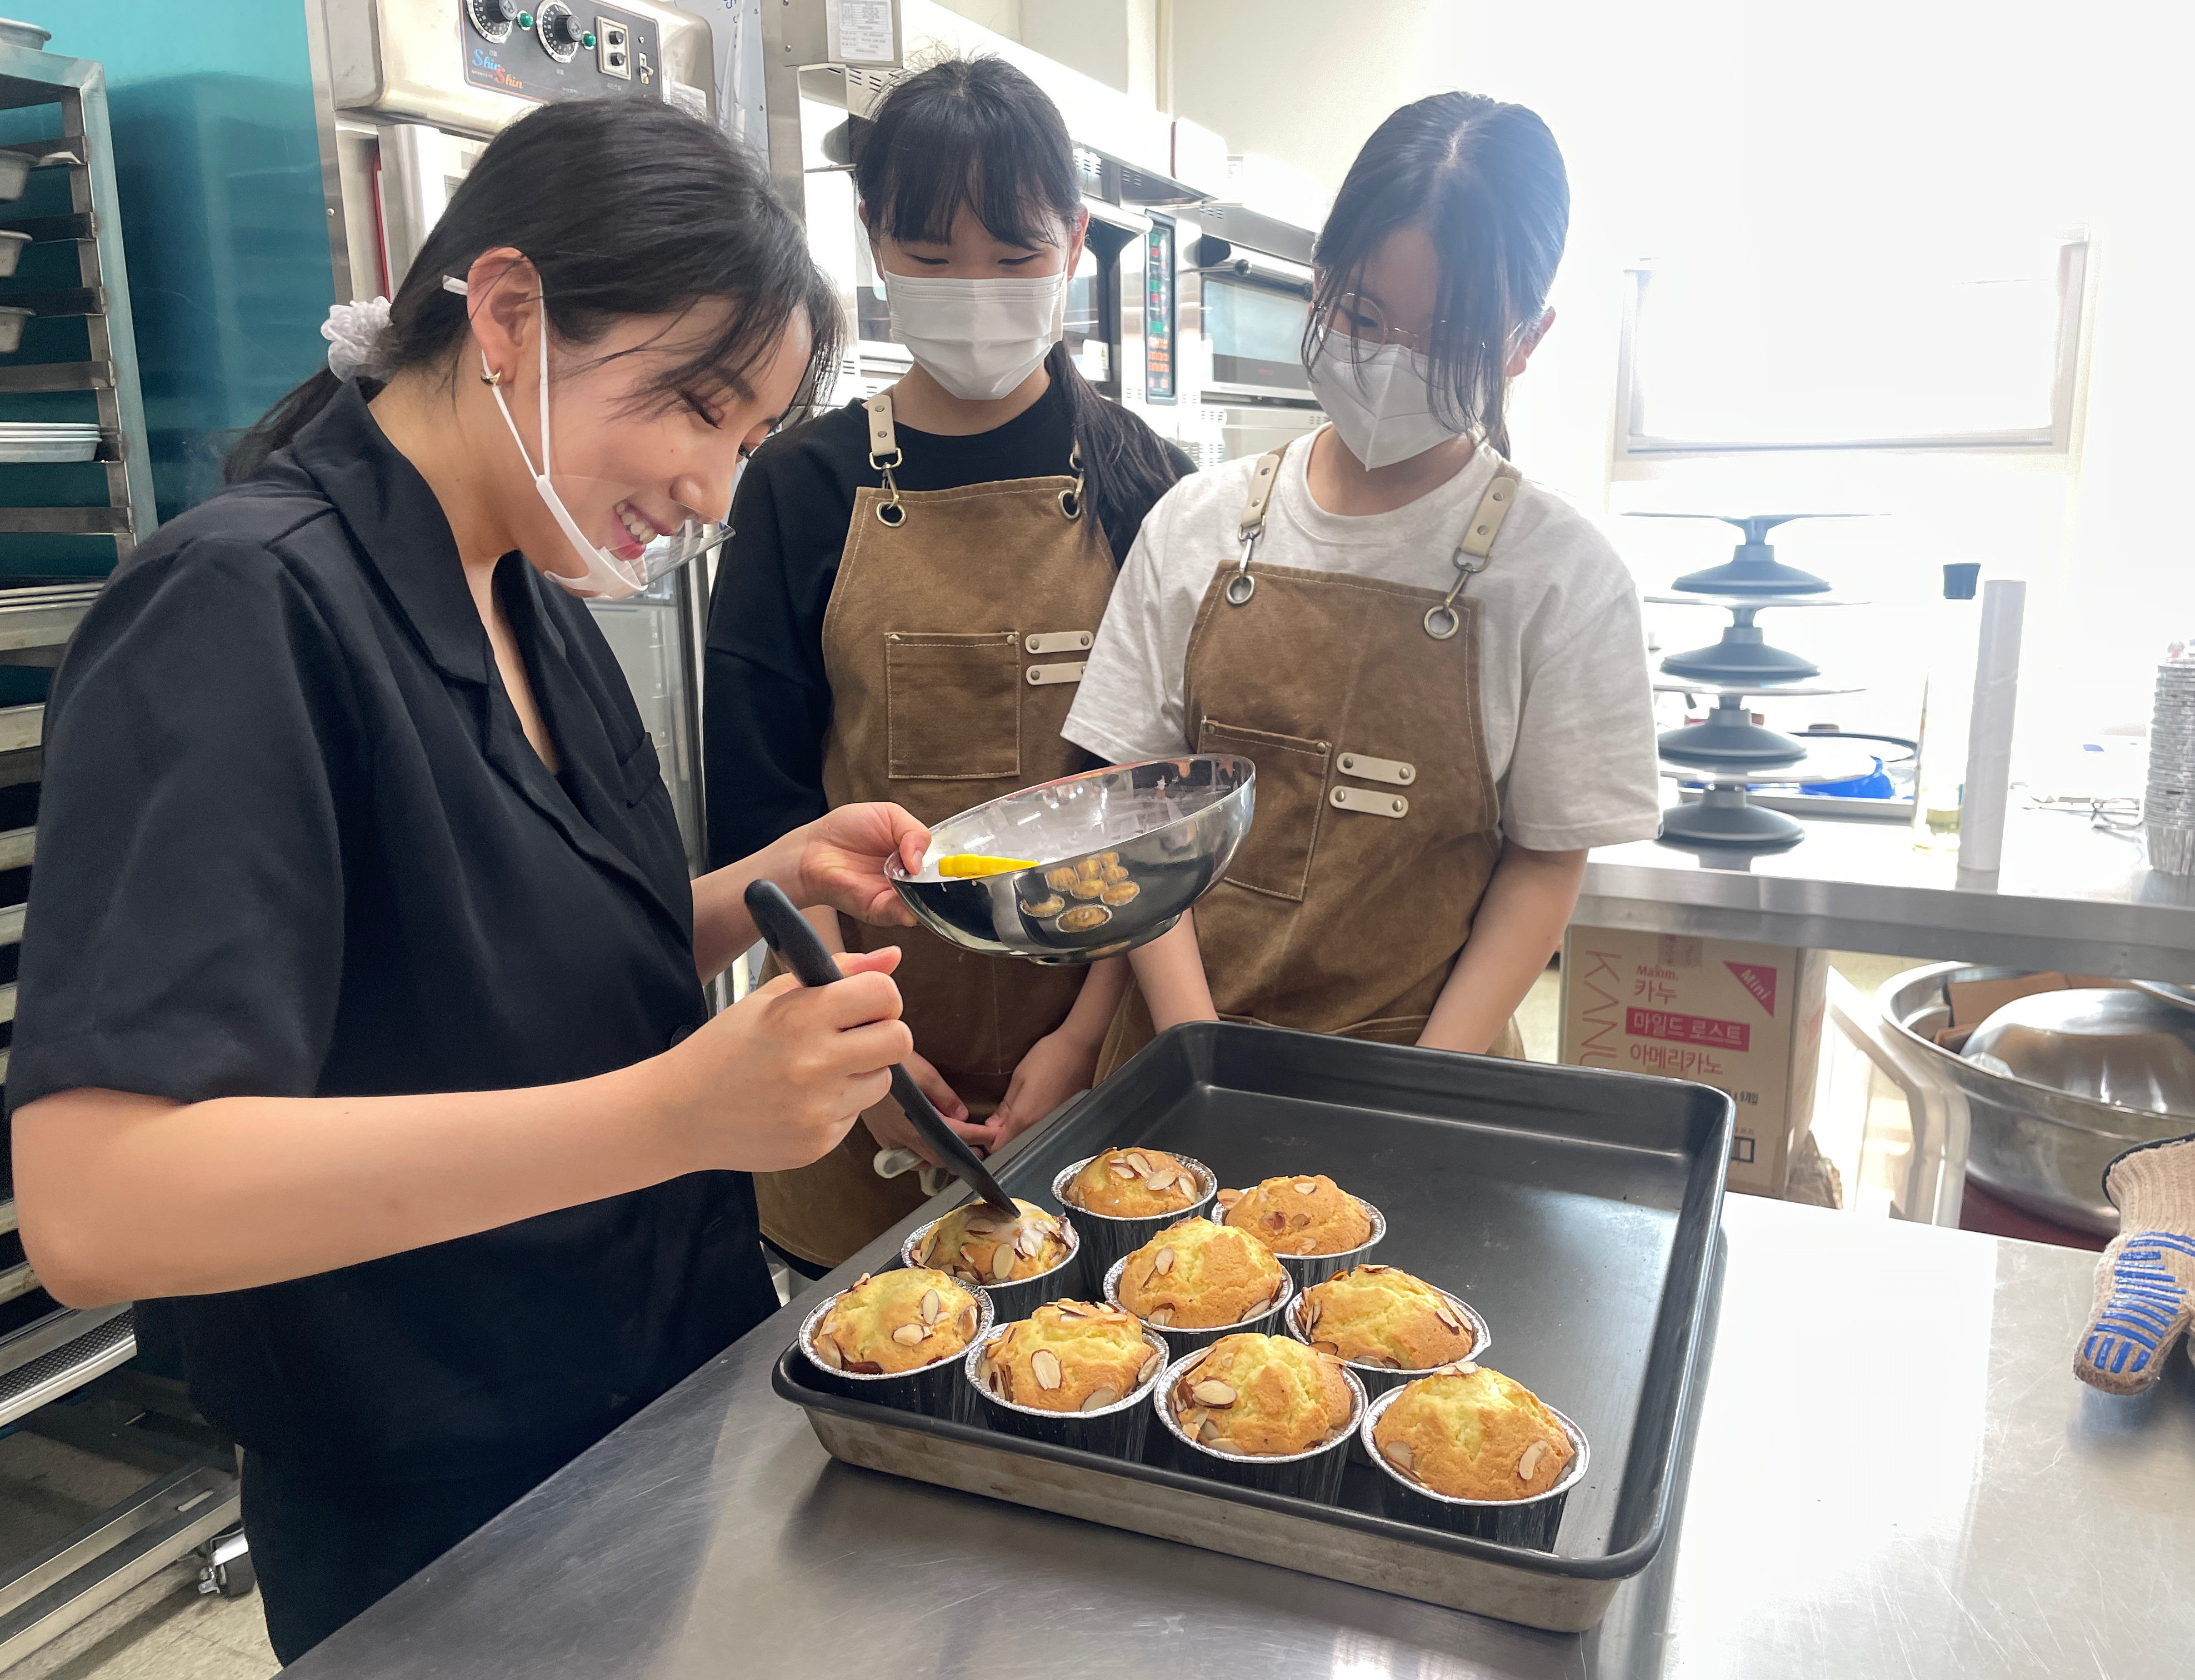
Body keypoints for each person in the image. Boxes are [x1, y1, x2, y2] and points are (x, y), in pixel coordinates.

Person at [7, 100, 931, 1664]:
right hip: (427, 1491)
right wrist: (674, 1115)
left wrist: (752, 884)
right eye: (698, 409)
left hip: (640, 1405)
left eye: (750, 438)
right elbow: (100, 1201)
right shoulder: (240, 611)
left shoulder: (532, 595)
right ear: (505, 314)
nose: (714, 490)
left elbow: (493, 954)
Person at [702, 55, 1192, 1276]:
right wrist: (862, 1055)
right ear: (871, 242)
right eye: (930, 257)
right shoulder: (799, 490)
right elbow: (761, 807)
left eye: (1016, 254)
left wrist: (1081, 1043)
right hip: (849, 1041)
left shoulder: (1152, 487)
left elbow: (1162, 811)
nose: (974, 289)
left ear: (1076, 241)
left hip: (1090, 1067)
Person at [1065, 93, 1660, 1065]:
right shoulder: (1197, 524)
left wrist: (1423, 1082)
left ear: (1527, 341)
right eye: (1364, 314)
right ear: (1320, 280)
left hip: (1421, 1075)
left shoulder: (1563, 578)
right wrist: (1199, 1052)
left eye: (1450, 336)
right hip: (1177, 1064)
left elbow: (1546, 864)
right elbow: (1140, 810)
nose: (1392, 362)